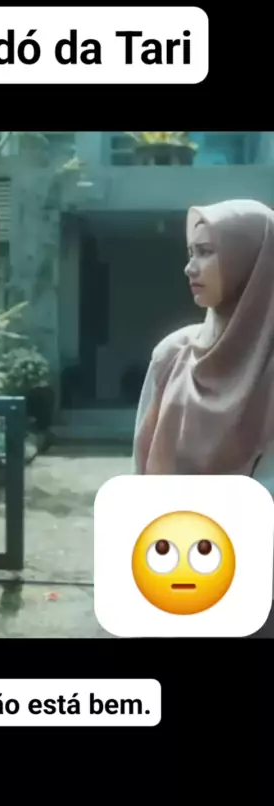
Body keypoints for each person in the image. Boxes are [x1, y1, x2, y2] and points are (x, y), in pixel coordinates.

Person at [132, 198, 274, 636]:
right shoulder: (173, 356)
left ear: (252, 261)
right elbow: (142, 473)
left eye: (207, 252)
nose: (190, 268)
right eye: (191, 252)